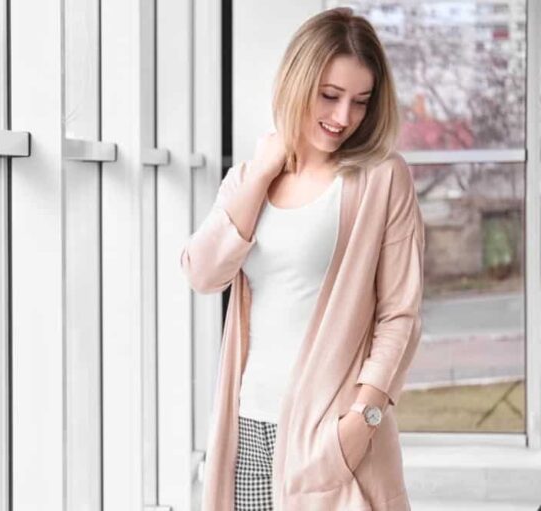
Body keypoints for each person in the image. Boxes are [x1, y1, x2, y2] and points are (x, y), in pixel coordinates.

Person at [180, 7, 425, 511]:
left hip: (331, 434)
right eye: (329, 95)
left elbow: (400, 315)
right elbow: (202, 273)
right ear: (296, 82)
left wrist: (363, 420)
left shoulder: (382, 178)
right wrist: (262, 172)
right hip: (249, 425)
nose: (343, 117)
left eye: (360, 102)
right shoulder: (249, 178)